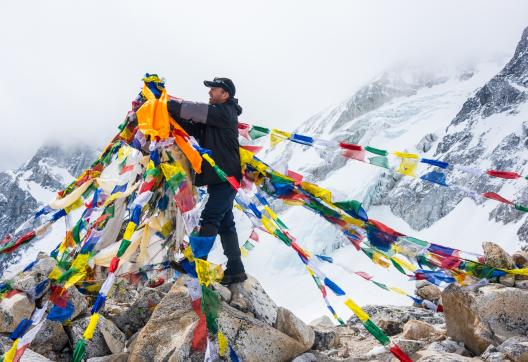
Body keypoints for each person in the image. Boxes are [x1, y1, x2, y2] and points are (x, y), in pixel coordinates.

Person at [167, 77, 247, 309]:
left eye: (215, 89)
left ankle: (195, 262)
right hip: (221, 179)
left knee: (210, 218)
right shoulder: (216, 117)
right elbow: (193, 124)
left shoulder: (225, 112)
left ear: (226, 94)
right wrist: (173, 117)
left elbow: (194, 110)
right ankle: (235, 270)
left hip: (226, 178)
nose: (210, 92)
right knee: (226, 224)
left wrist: (164, 104)